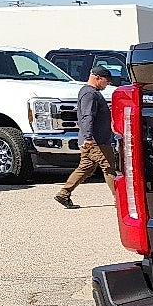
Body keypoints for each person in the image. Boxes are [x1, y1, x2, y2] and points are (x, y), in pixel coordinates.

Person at [54, 66, 116, 208]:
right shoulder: (90, 94)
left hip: (89, 140)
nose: (108, 84)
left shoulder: (88, 92)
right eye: (106, 81)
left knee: (85, 168)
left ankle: (63, 194)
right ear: (97, 78)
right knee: (109, 168)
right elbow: (87, 116)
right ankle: (119, 200)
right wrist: (88, 137)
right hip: (96, 141)